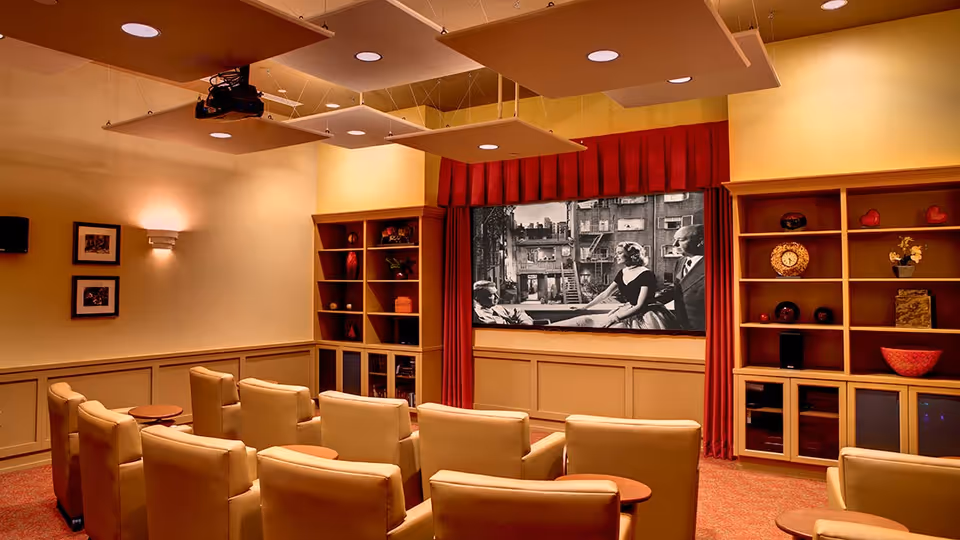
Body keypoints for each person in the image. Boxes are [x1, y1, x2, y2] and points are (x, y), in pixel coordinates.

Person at [555, 242, 678, 330]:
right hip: (627, 310)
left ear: (631, 255)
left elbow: (640, 305)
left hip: (646, 315)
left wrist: (615, 317)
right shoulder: (622, 272)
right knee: (584, 320)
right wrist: (585, 307)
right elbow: (605, 293)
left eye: (619, 253)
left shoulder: (646, 274)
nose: (616, 256)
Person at [671, 224, 705, 331]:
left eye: (680, 240)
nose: (674, 244)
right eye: (675, 240)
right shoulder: (680, 262)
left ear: (700, 241)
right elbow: (678, 287)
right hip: (682, 326)